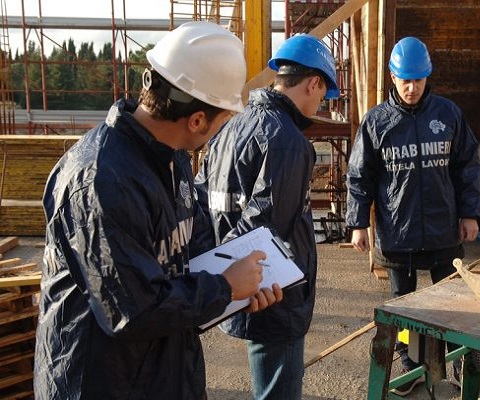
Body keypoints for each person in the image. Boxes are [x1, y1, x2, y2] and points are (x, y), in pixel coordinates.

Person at [33, 22, 283, 400]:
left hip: (161, 373)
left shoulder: (171, 158)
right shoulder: (101, 181)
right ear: (197, 120)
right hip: (100, 382)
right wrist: (225, 285)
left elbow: (185, 252)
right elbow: (133, 311)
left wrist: (240, 289)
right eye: (223, 120)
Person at [194, 33, 339, 399]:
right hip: (272, 294)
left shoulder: (231, 126)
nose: (321, 101)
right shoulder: (288, 140)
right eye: (323, 93)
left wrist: (217, 279)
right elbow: (264, 230)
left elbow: (200, 199)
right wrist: (233, 279)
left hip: (241, 285)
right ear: (314, 82)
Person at [346, 36, 480, 396]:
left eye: (418, 80)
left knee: (453, 305)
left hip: (443, 232)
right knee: (403, 310)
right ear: (393, 76)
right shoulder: (377, 122)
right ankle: (409, 368)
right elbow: (360, 175)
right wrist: (358, 222)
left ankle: (454, 363)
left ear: (428, 77)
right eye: (405, 80)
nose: (412, 87)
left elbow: (467, 167)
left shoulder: (447, 115)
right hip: (398, 234)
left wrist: (470, 214)